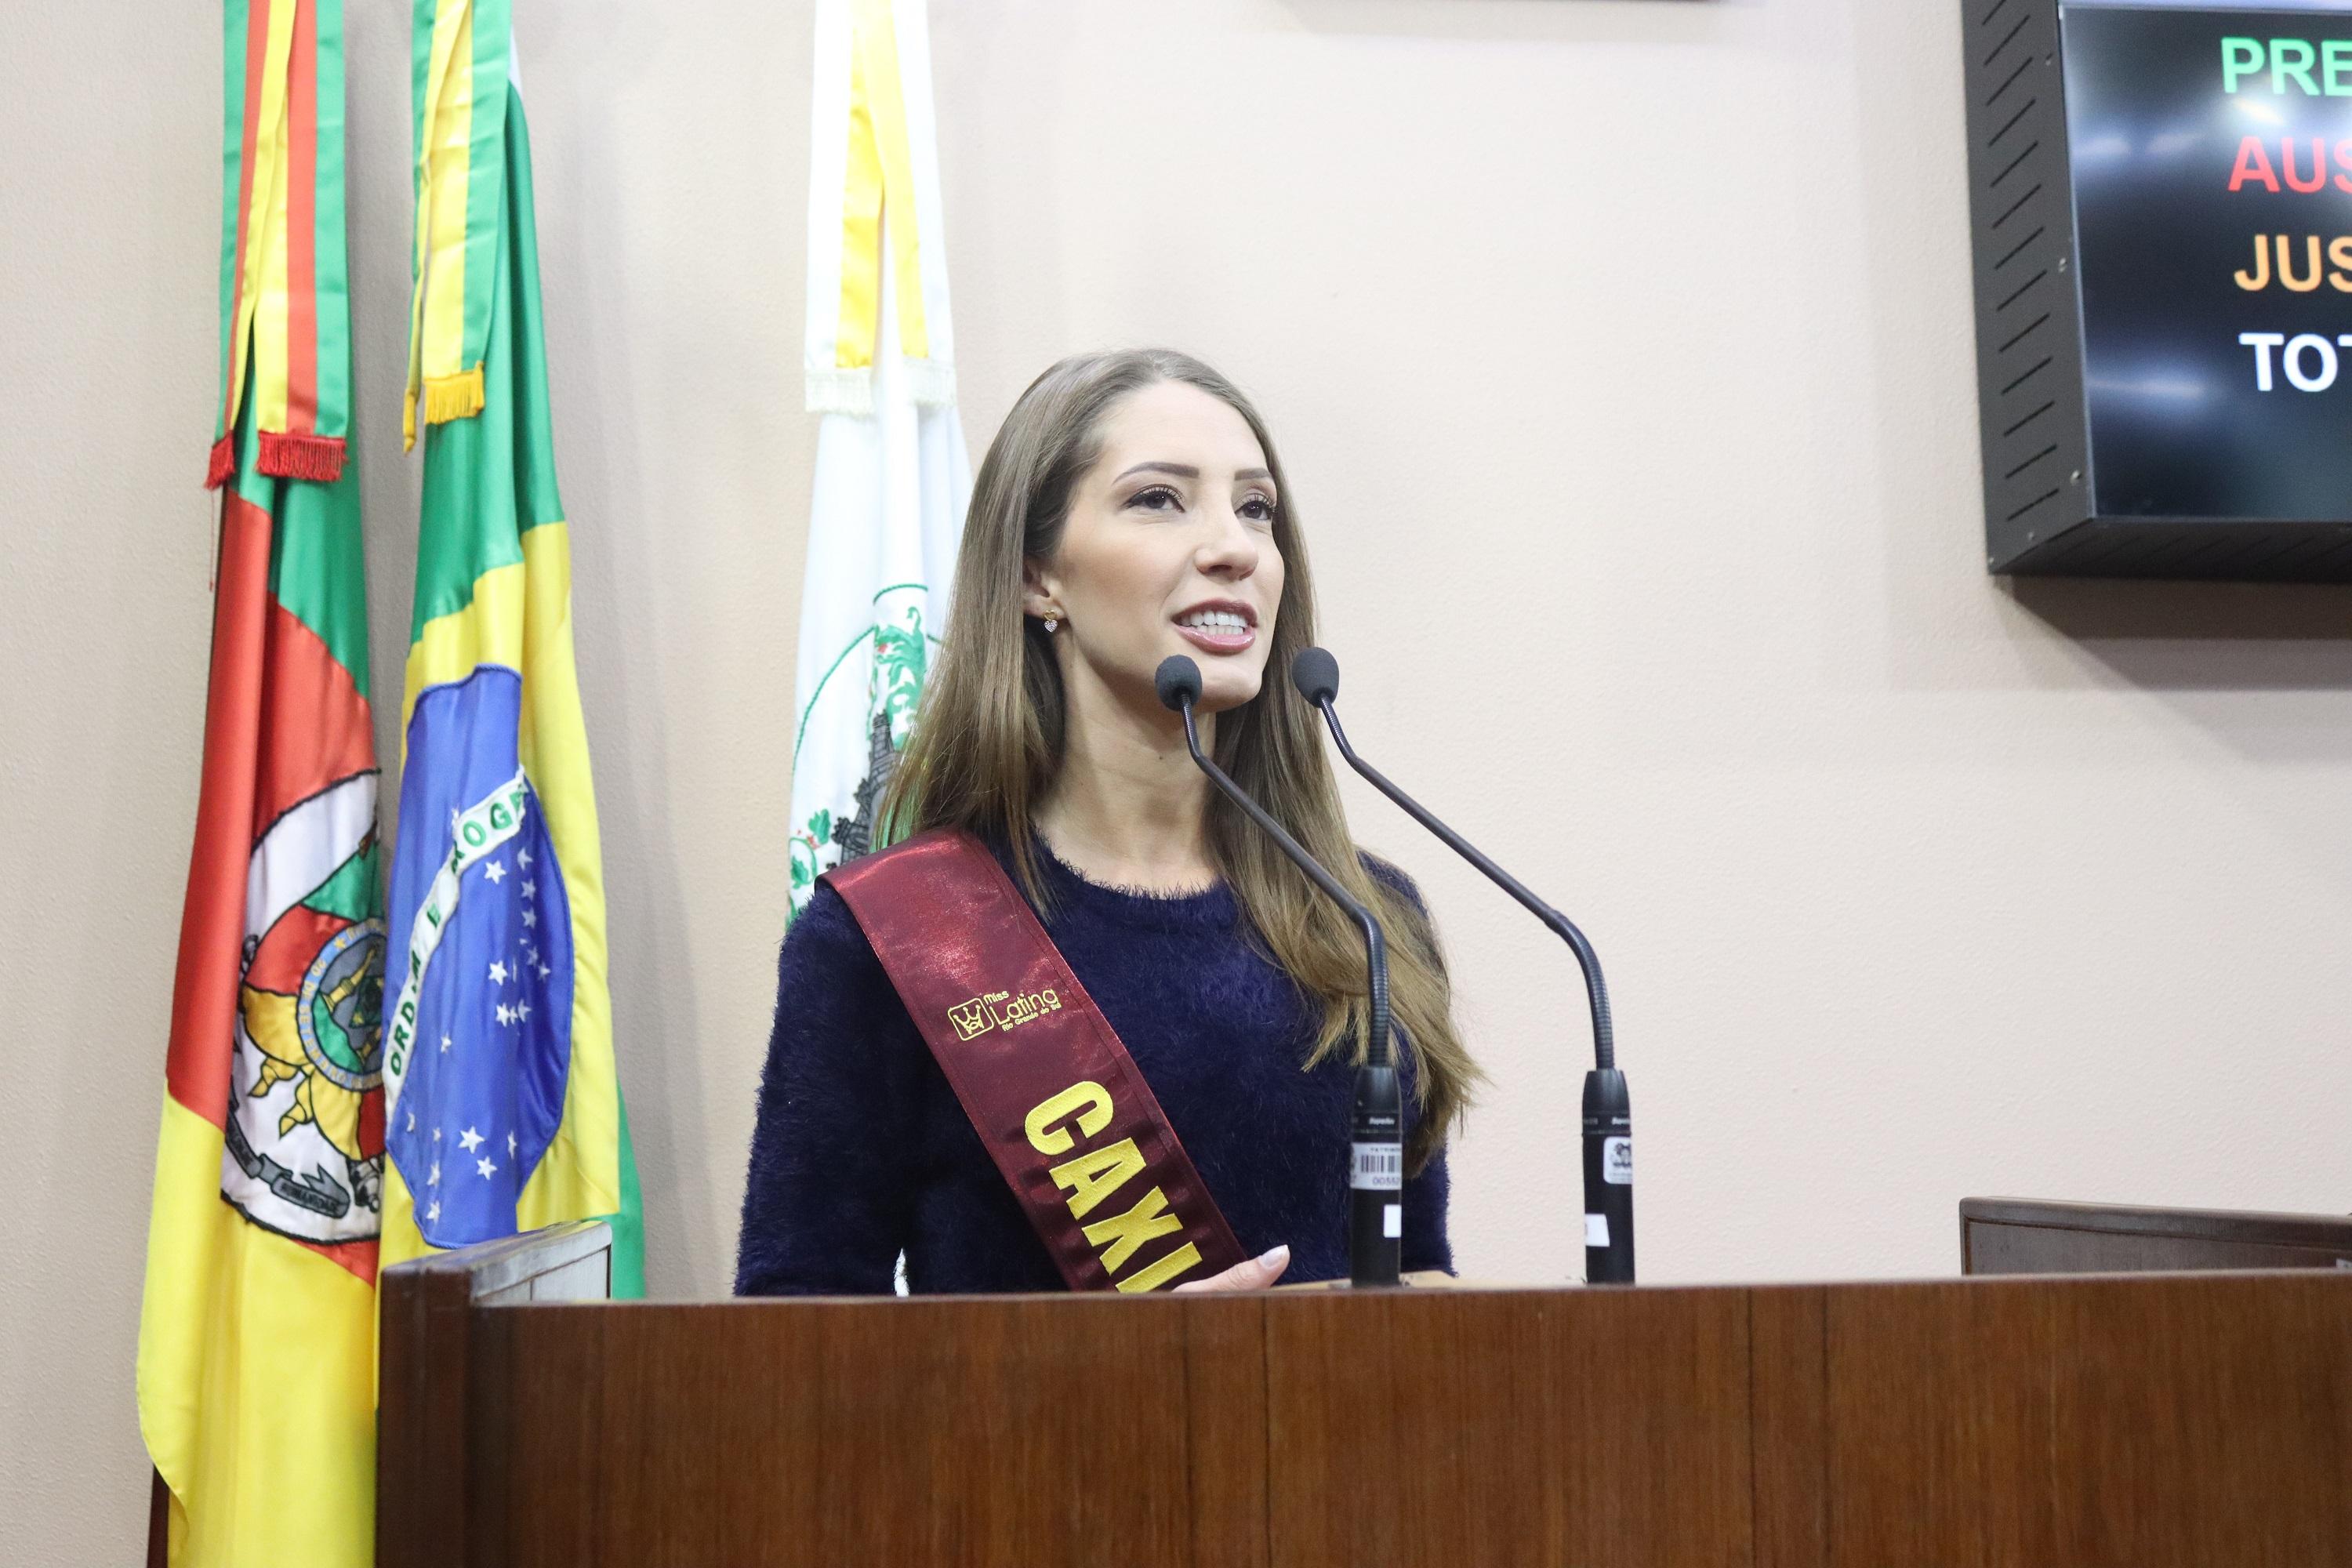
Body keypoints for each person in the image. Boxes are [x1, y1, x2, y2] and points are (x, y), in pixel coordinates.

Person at [735, 348, 1479, 1295]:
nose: (1235, 547)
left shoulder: (1366, 916)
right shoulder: (893, 938)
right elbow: (796, 1337)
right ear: (1038, 576)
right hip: (1039, 1451)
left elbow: (1420, 1271)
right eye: (1160, 500)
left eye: (1256, 508)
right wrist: (1120, 1375)